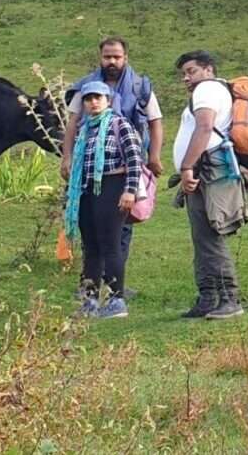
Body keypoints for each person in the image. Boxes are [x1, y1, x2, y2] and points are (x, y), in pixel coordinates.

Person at [64, 37, 164, 291]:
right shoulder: (86, 87)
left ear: (125, 58)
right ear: (100, 58)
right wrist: (68, 158)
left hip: (122, 169)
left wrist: (153, 156)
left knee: (120, 232)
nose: (111, 61)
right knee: (93, 238)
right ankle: (93, 289)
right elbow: (73, 123)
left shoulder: (140, 87)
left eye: (116, 57)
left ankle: (115, 287)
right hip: (87, 173)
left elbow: (155, 122)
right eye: (107, 56)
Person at [172, 50, 248, 320]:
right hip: (206, 169)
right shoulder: (213, 91)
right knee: (202, 237)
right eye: (184, 74)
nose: (186, 78)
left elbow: (204, 128)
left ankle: (229, 298)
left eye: (191, 71)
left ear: (208, 69)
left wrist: (186, 167)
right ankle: (208, 297)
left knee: (210, 236)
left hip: (207, 170)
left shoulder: (206, 90)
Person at [66, 81, 149, 318]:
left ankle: (116, 299)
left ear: (108, 100)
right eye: (89, 98)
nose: (93, 102)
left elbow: (134, 160)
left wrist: (129, 190)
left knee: (110, 244)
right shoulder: (85, 130)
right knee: (90, 247)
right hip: (86, 188)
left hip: (112, 185)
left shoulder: (119, 124)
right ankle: (90, 300)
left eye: (98, 98)